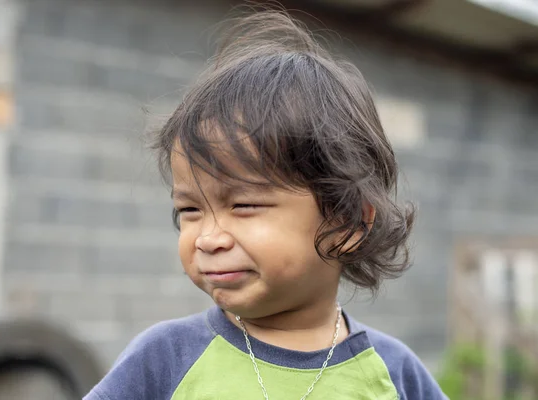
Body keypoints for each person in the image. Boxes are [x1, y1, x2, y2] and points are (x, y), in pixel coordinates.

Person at [84, 8, 447, 400]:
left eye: (242, 205)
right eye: (189, 210)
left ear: (347, 222)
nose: (208, 238)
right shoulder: (164, 360)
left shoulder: (395, 374)